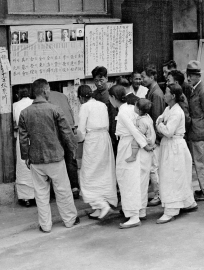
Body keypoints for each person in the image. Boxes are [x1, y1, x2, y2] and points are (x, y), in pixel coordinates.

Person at [19, 79, 79, 232]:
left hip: (36, 158)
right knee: (63, 190)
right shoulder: (55, 109)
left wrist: (26, 156)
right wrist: (72, 149)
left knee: (40, 193)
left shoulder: (25, 113)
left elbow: (23, 137)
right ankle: (69, 219)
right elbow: (67, 132)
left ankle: (45, 225)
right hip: (55, 156)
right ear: (45, 91)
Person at [109, 85, 154, 229]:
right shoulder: (131, 107)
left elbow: (134, 130)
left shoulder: (123, 111)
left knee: (128, 180)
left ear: (113, 98)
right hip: (136, 145)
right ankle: (140, 211)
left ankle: (134, 216)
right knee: (139, 179)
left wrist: (144, 144)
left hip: (129, 145)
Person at [155, 84, 197, 224]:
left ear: (173, 96)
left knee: (173, 177)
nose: (164, 95)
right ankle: (187, 202)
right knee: (176, 175)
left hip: (175, 146)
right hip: (170, 145)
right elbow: (160, 118)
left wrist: (160, 125)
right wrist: (160, 123)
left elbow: (168, 131)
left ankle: (171, 210)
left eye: (166, 92)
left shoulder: (177, 112)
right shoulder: (168, 108)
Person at [76, 85, 117, 220]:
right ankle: (99, 207)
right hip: (104, 138)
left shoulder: (84, 107)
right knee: (102, 172)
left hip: (93, 140)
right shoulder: (102, 105)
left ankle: (101, 204)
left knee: (88, 174)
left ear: (81, 98)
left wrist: (78, 140)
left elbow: (81, 131)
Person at [186, 60, 204, 202]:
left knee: (203, 162)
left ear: (198, 76)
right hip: (197, 131)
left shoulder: (203, 91)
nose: (189, 78)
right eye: (189, 74)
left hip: (202, 131)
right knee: (200, 161)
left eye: (192, 75)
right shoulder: (195, 89)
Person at [47, 86, 80, 200]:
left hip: (58, 130)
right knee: (71, 159)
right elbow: (70, 111)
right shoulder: (62, 95)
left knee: (59, 160)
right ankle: (75, 187)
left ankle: (61, 190)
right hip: (69, 127)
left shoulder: (45, 98)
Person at [141, 65, 166, 207]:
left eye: (144, 77)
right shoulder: (152, 91)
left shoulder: (156, 94)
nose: (143, 79)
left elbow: (156, 117)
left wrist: (154, 139)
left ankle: (158, 194)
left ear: (151, 77)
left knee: (154, 167)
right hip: (153, 135)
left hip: (155, 137)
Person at [12, 86, 35, 207]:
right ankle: (37, 195)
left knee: (23, 165)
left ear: (17, 95)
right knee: (35, 166)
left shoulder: (15, 105)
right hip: (35, 136)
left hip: (22, 137)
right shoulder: (33, 102)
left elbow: (14, 123)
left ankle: (26, 197)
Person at [91, 66, 118, 156]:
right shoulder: (93, 94)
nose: (98, 83)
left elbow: (113, 117)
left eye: (101, 80)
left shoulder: (111, 94)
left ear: (106, 78)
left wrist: (112, 137)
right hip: (97, 133)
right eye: (96, 81)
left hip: (110, 131)